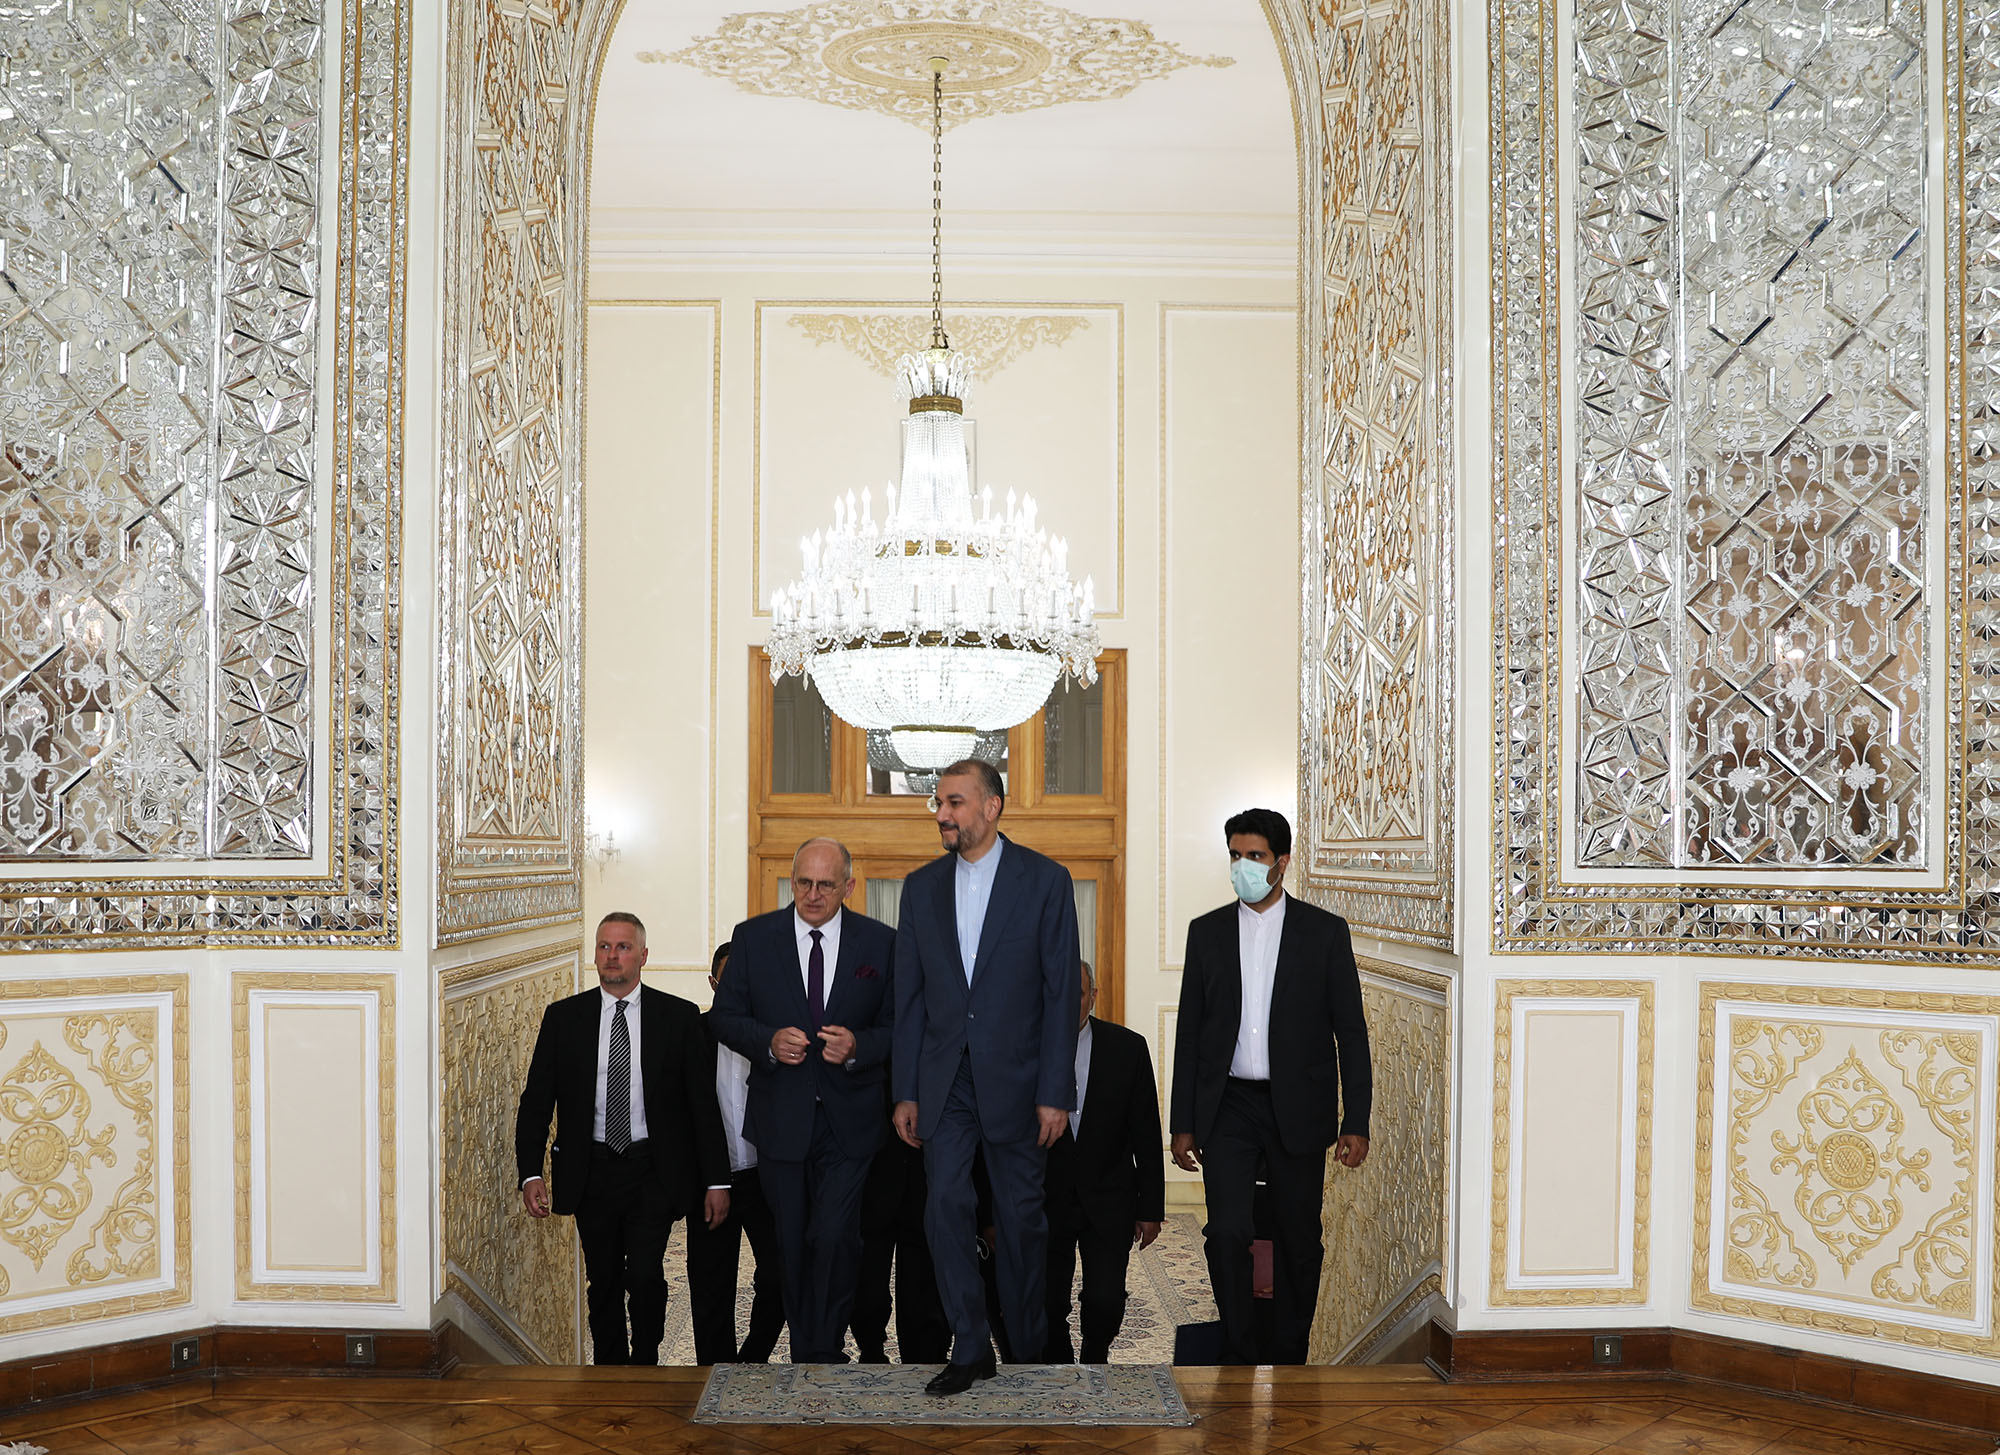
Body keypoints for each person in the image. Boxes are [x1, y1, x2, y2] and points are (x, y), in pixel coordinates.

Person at [892, 759, 1080, 1396]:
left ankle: (1027, 1345)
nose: (942, 814)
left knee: (1022, 1221)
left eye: (954, 802)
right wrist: (906, 1090)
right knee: (944, 1206)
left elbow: (1060, 994)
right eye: (938, 803)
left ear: (992, 806)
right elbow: (910, 999)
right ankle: (970, 1346)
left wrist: (1055, 1092)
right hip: (945, 1080)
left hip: (1021, 1083)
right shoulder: (920, 887)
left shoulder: (1046, 881)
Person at [1169, 808, 1372, 1366]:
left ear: (1282, 862)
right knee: (1227, 1233)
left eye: (1254, 856)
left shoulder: (1323, 932)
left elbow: (1350, 1032)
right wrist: (1183, 1122)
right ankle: (1238, 1350)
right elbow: (1189, 1034)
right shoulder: (1207, 932)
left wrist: (1356, 1120)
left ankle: (1288, 1354)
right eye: (1235, 856)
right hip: (1229, 1106)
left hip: (1298, 1108)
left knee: (1298, 1238)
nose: (1243, 866)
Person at [710, 837, 897, 1363]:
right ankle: (808, 1353)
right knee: (790, 1245)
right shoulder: (753, 938)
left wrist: (859, 1047)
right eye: (804, 883)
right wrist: (767, 1042)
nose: (813, 895)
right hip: (780, 1118)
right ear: (791, 882)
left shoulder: (881, 943)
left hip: (851, 1121)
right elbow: (724, 1018)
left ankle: (823, 1349)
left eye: (826, 885)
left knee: (835, 1237)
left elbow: (901, 1027)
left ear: (848, 887)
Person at [515, 911, 731, 1365]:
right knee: (604, 1280)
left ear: (643, 956)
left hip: (653, 1169)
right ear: (595, 955)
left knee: (646, 1275)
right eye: (604, 947)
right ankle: (610, 1370)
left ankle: (646, 1358)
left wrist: (717, 1180)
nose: (612, 956)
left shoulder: (678, 1017)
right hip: (590, 1170)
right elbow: (537, 1101)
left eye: (623, 947)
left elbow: (703, 1107)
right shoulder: (564, 1019)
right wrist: (530, 1172)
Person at [1041, 961, 1164, 1364]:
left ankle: (1095, 1360)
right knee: (1046, 1301)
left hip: (1110, 1199)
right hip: (1046, 1199)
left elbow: (1146, 1133)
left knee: (1106, 1299)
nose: (1067, 1003)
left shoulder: (1128, 1049)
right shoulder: (1026, 1048)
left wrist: (1150, 1209)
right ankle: (1061, 1367)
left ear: (1092, 997)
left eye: (1077, 994)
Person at [686, 941, 787, 1364]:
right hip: (711, 1181)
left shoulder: (774, 1038)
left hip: (766, 1180)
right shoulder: (690, 1035)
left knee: (781, 1276)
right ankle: (714, 1373)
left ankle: (751, 1360)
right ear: (713, 984)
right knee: (711, 1286)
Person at [849, 1084, 950, 1365]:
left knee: (925, 1274)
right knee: (868, 1279)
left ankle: (926, 1357)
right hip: (872, 1156)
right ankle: (870, 1348)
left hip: (930, 1157)